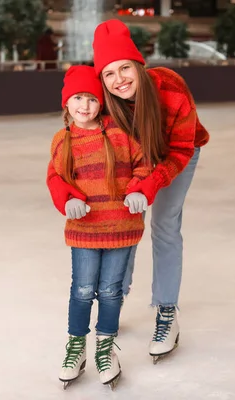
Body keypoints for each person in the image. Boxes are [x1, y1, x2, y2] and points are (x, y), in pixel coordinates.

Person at [46, 19, 210, 363]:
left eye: (125, 68)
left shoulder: (170, 87)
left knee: (165, 225)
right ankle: (115, 296)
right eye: (108, 74)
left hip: (179, 153)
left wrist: (150, 184)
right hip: (137, 159)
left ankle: (166, 312)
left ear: (138, 65)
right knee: (125, 216)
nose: (119, 79)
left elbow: (179, 149)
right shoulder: (108, 105)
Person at [47, 65, 151, 389]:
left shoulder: (120, 133)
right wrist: (67, 199)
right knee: (81, 290)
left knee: (110, 291)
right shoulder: (63, 140)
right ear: (67, 102)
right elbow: (56, 177)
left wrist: (137, 188)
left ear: (101, 102)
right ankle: (76, 347)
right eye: (78, 98)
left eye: (91, 99)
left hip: (121, 227)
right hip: (85, 230)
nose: (84, 106)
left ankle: (105, 347)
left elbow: (144, 165)